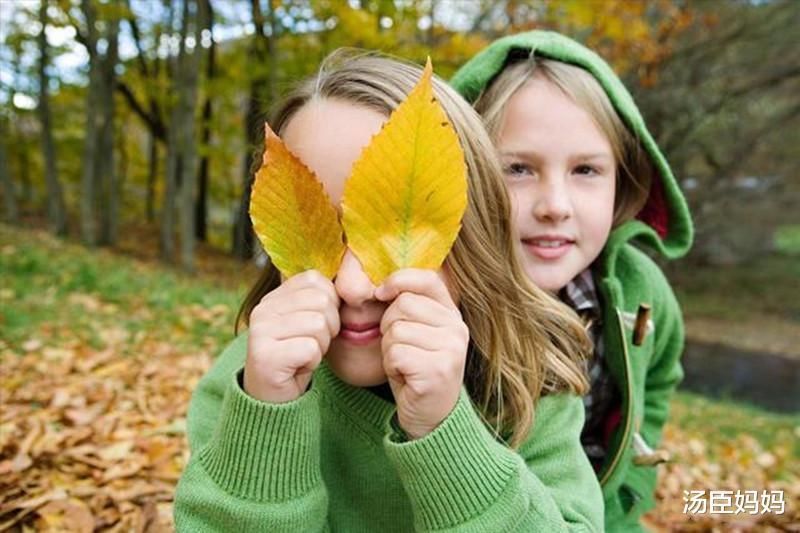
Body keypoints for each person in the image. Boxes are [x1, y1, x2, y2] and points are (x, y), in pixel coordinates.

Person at [173, 50, 604, 532]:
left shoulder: (530, 387)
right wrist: (267, 423)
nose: (355, 287)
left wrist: (445, 435)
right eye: (324, 234)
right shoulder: (244, 387)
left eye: (393, 235)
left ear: (476, 240)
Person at [451, 30, 694, 531]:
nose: (555, 206)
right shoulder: (441, 297)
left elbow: (657, 386)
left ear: (623, 182)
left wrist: (628, 500)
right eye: (517, 169)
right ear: (462, 173)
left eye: (585, 170)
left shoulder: (642, 292)